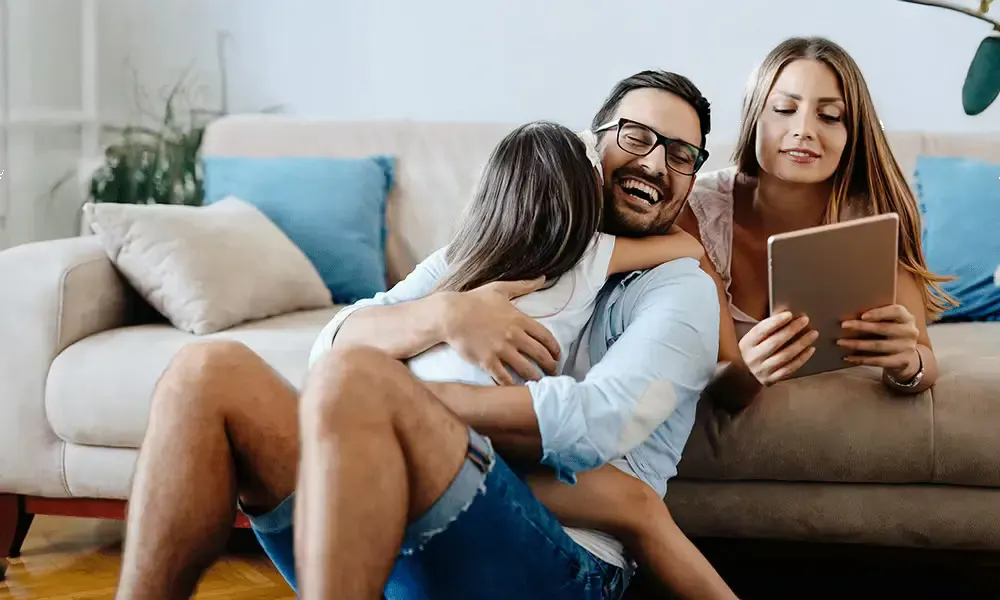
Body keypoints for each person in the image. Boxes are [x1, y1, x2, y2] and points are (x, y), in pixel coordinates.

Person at [112, 70, 726, 600]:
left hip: (560, 558)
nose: (655, 163)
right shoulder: (499, 247)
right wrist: (445, 315)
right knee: (204, 373)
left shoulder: (680, 287)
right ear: (596, 147)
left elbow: (604, 422)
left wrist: (397, 406)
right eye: (637, 137)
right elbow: (332, 347)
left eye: (681, 155)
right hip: (394, 511)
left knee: (360, 381)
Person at [676, 36, 958, 411]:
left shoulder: (872, 216)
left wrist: (906, 363)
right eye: (784, 109)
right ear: (753, 117)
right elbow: (720, 389)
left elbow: (923, 360)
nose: (804, 130)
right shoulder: (697, 212)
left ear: (852, 133)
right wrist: (748, 372)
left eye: (829, 116)